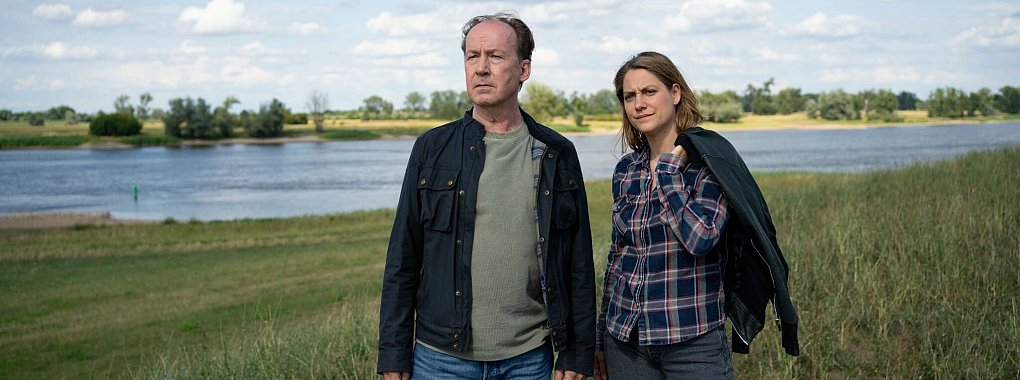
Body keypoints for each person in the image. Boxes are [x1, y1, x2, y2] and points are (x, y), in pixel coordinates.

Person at [377, 12, 595, 380]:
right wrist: (393, 354)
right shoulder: (431, 149)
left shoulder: (557, 152)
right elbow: (403, 257)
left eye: (494, 56)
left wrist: (577, 353)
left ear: (523, 69)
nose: (480, 68)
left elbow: (578, 261)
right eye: (472, 56)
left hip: (529, 359)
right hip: (439, 359)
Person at [593, 52, 800, 380]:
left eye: (649, 92)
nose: (638, 104)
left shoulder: (708, 165)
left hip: (693, 341)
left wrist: (669, 174)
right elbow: (618, 258)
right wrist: (600, 335)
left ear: (675, 94)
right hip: (626, 341)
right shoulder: (626, 171)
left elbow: (700, 238)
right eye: (629, 96)